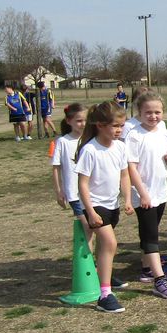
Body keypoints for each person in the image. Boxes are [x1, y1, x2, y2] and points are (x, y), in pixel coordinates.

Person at [74, 102, 134, 313]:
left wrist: (127, 199)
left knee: (103, 247)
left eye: (122, 125)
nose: (119, 130)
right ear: (100, 125)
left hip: (112, 205)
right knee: (110, 243)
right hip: (95, 205)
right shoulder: (90, 150)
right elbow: (82, 184)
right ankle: (105, 295)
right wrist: (90, 211)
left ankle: (103, 276)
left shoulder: (120, 147)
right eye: (115, 126)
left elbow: (124, 175)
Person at [125, 92, 167, 299]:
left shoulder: (163, 130)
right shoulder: (134, 135)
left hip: (160, 192)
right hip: (144, 193)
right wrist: (142, 194)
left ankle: (147, 268)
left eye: (157, 112)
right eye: (148, 112)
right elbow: (131, 167)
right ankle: (159, 280)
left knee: (151, 230)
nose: (153, 116)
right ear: (139, 113)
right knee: (151, 236)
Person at [52, 103, 89, 220]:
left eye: (86, 120)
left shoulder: (92, 140)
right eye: (79, 121)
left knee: (96, 225)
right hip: (74, 193)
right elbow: (56, 168)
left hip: (93, 192)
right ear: (68, 121)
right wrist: (59, 191)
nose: (83, 124)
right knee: (86, 224)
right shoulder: (62, 142)